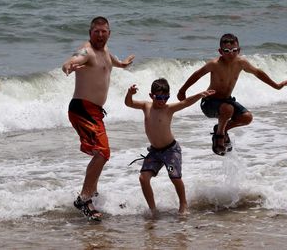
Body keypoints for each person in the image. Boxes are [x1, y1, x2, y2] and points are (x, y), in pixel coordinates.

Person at [62, 16, 135, 221]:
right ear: (90, 33)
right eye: (96, 32)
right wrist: (68, 66)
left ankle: (90, 194)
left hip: (93, 111)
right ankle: (84, 198)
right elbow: (72, 60)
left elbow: (114, 63)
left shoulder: (106, 53)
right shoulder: (88, 51)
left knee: (100, 153)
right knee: (103, 152)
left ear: (109, 33)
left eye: (104, 32)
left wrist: (124, 64)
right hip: (82, 109)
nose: (100, 35)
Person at [177, 33, 287, 156]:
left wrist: (277, 86)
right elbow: (197, 74)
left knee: (247, 117)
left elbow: (258, 73)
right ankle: (219, 137)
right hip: (209, 102)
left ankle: (221, 129)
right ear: (220, 51)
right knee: (228, 108)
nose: (231, 53)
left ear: (239, 50)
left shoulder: (241, 63)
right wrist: (182, 91)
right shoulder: (214, 64)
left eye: (234, 50)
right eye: (226, 50)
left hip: (227, 101)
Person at [125, 78, 215, 215]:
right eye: (159, 97)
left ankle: (183, 204)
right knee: (143, 178)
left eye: (166, 97)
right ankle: (153, 209)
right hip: (154, 152)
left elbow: (185, 102)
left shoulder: (169, 109)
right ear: (151, 95)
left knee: (174, 176)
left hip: (171, 151)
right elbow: (129, 103)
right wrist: (130, 93)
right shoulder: (146, 106)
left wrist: (200, 95)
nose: (162, 101)